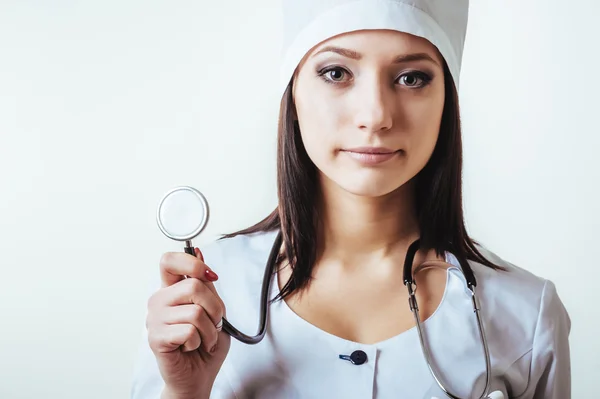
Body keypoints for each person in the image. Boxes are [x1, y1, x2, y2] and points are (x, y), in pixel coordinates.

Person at [130, 0, 572, 398]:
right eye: (337, 73)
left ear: (445, 101)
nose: (376, 115)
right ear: (294, 92)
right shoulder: (202, 296)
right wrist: (184, 391)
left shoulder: (525, 314)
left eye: (411, 77)